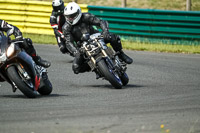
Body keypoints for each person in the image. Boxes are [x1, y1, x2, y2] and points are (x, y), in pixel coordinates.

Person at [62, 2, 133, 74]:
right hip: (82, 47)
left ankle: (120, 54)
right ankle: (96, 67)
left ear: (78, 13)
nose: (70, 18)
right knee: (76, 68)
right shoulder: (66, 28)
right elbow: (68, 42)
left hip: (96, 37)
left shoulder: (86, 16)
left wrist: (105, 31)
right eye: (68, 16)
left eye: (72, 16)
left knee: (112, 36)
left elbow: (101, 22)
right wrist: (75, 51)